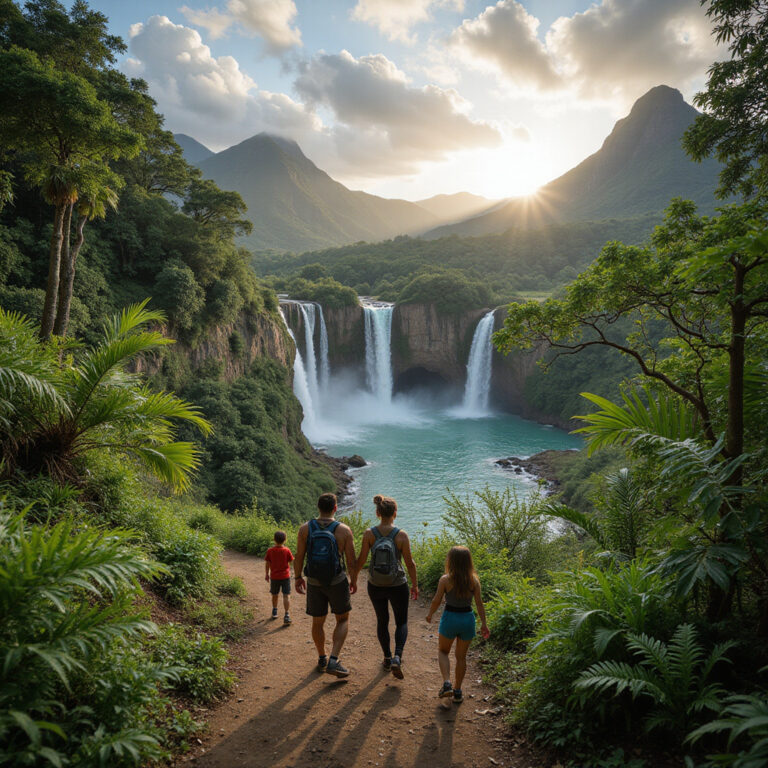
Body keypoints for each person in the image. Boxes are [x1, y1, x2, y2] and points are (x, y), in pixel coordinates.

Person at [294, 493, 358, 677]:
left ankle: (321, 657)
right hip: (337, 581)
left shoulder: (305, 529)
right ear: (335, 508)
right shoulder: (344, 530)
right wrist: (353, 581)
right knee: (343, 619)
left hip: (314, 581)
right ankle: (333, 659)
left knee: (318, 621)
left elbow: (299, 556)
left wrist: (298, 577)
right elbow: (351, 561)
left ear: (318, 507)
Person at [356, 494, 418, 679]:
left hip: (375, 585)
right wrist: (414, 585)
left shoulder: (369, 534)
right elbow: (410, 563)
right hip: (397, 584)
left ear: (377, 512)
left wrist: (353, 579)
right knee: (401, 622)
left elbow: (361, 560)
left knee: (382, 621)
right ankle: (398, 657)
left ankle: (386, 658)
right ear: (395, 513)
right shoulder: (401, 535)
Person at [426, 545, 490, 703]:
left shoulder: (445, 579)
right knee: (461, 657)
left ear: (451, 561)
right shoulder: (474, 581)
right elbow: (479, 604)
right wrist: (484, 624)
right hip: (467, 619)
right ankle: (458, 691)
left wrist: (430, 614)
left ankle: (447, 683)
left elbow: (437, 600)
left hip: (450, 618)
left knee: (443, 651)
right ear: (469, 562)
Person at [265, 530, 293, 624]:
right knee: (286, 595)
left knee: (275, 595)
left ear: (274, 539)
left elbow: (267, 563)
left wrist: (266, 574)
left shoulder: (270, 551)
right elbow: (290, 561)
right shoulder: (287, 550)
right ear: (285, 540)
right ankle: (287, 614)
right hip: (285, 576)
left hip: (274, 577)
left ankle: (275, 611)